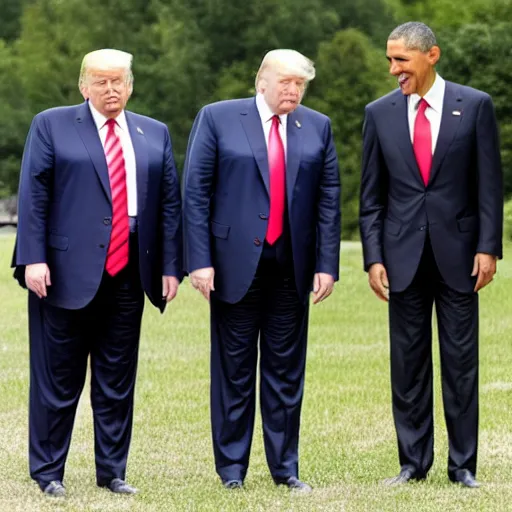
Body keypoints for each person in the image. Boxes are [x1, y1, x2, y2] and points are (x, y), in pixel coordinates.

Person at [12, 49, 183, 497]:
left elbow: (168, 205)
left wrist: (169, 266)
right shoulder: (52, 124)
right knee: (57, 379)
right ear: (84, 86)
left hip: (130, 275)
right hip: (63, 274)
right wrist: (33, 257)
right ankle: (48, 472)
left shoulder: (153, 133)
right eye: (101, 82)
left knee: (116, 379)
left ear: (130, 85)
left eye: (118, 81)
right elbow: (34, 194)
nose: (111, 90)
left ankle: (112, 472)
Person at [182, 49, 340, 491]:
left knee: (286, 373)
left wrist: (327, 264)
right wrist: (199, 260)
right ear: (262, 81)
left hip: (292, 269)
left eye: (300, 85)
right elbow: (196, 193)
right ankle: (231, 471)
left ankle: (285, 469)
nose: (293, 91)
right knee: (233, 372)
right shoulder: (217, 118)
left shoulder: (317, 126)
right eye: (285, 82)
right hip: (233, 267)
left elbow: (329, 199)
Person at [359, 22, 503, 488]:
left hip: (460, 256)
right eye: (390, 59)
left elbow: (488, 187)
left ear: (432, 55)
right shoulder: (378, 114)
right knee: (408, 365)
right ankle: (412, 464)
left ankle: (463, 466)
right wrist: (373, 256)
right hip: (401, 257)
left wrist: (488, 248)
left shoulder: (475, 105)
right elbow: (372, 197)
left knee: (461, 365)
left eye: (401, 60)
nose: (393, 69)